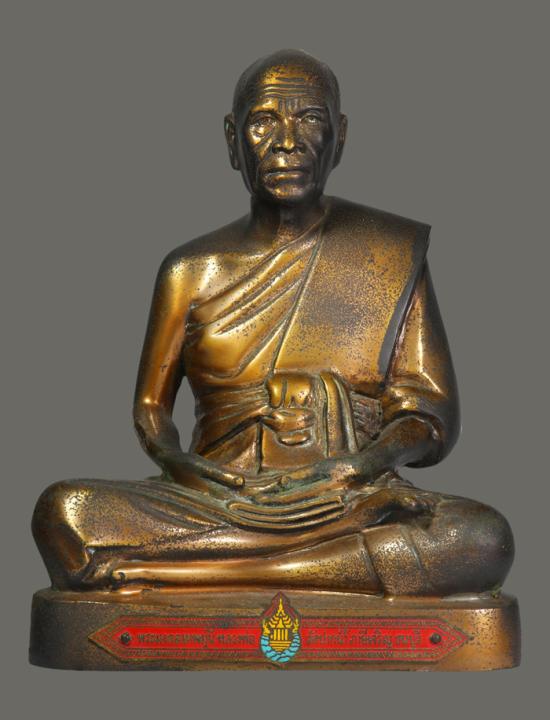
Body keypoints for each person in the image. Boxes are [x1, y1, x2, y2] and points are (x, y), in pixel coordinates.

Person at [32, 49, 514, 597]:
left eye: (309, 119)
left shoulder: (389, 252)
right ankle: (310, 565)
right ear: (232, 139)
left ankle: (186, 572)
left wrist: (364, 465)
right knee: (64, 511)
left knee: (481, 538)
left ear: (340, 137)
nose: (288, 142)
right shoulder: (191, 271)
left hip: (347, 496)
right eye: (264, 121)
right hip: (220, 497)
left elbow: (428, 411)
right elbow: (150, 407)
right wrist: (177, 463)